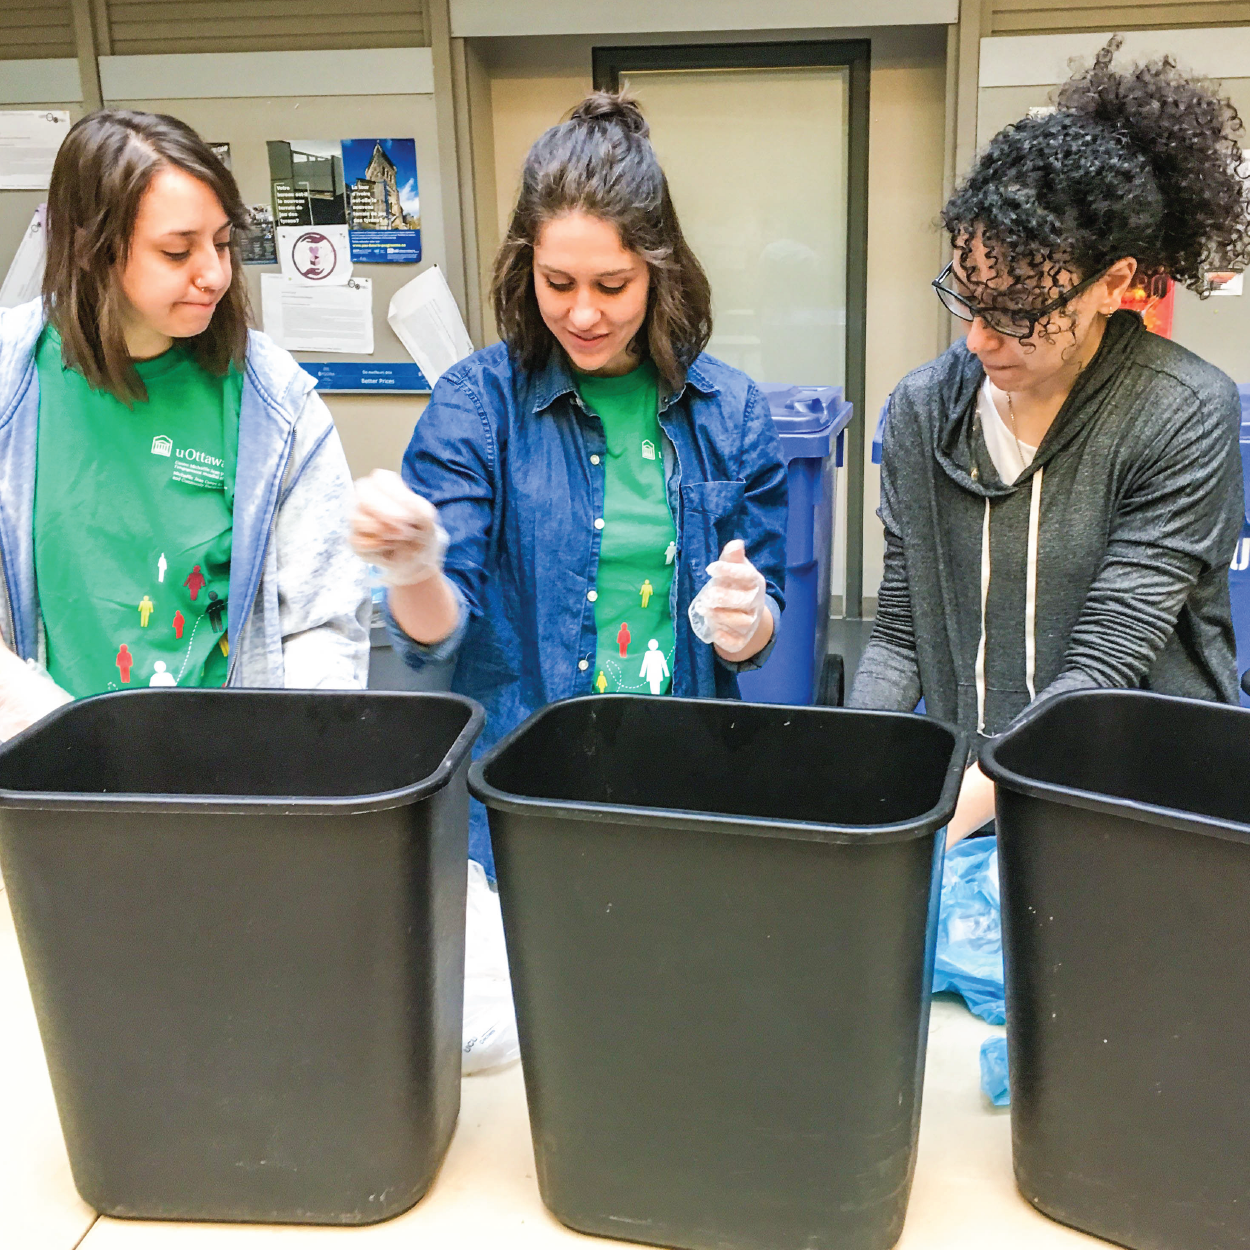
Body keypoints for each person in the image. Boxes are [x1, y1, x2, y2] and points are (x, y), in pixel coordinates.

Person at [351, 92, 788, 870]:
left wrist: (745, 620)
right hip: (524, 793)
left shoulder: (732, 413)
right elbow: (432, 636)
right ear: (528, 270)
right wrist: (414, 565)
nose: (583, 314)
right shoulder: (479, 406)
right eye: (558, 284)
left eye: (612, 286)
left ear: (659, 272)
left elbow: (758, 632)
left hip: (679, 783)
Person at [849, 40, 1250, 842]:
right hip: (973, 797)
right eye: (968, 297)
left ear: (1112, 284)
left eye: (1020, 314)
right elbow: (900, 633)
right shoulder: (925, 410)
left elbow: (1104, 664)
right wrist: (853, 779)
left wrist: (935, 822)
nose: (978, 339)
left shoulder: (1180, 412)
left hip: (1139, 802)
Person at [0, 109, 368, 739]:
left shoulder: (275, 403)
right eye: (178, 251)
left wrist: (292, 764)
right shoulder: (12, 379)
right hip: (46, 780)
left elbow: (323, 620)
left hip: (227, 784)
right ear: (90, 250)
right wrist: (51, 746)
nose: (215, 275)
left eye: (223, 243)